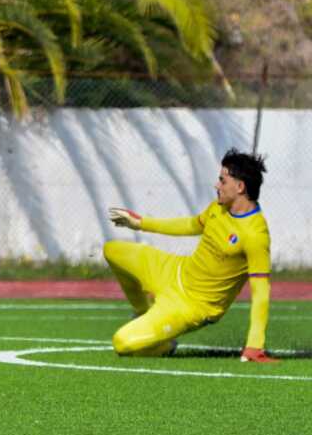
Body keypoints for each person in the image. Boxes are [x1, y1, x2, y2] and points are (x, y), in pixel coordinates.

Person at [105, 148, 275, 362]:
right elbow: (190, 225)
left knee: (122, 342)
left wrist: (254, 345)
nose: (216, 185)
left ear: (240, 187)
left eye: (222, 181)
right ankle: (142, 311)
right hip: (174, 270)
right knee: (112, 250)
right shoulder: (218, 208)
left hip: (190, 305)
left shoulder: (255, 234)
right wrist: (141, 224)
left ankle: (165, 345)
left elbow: (261, 292)